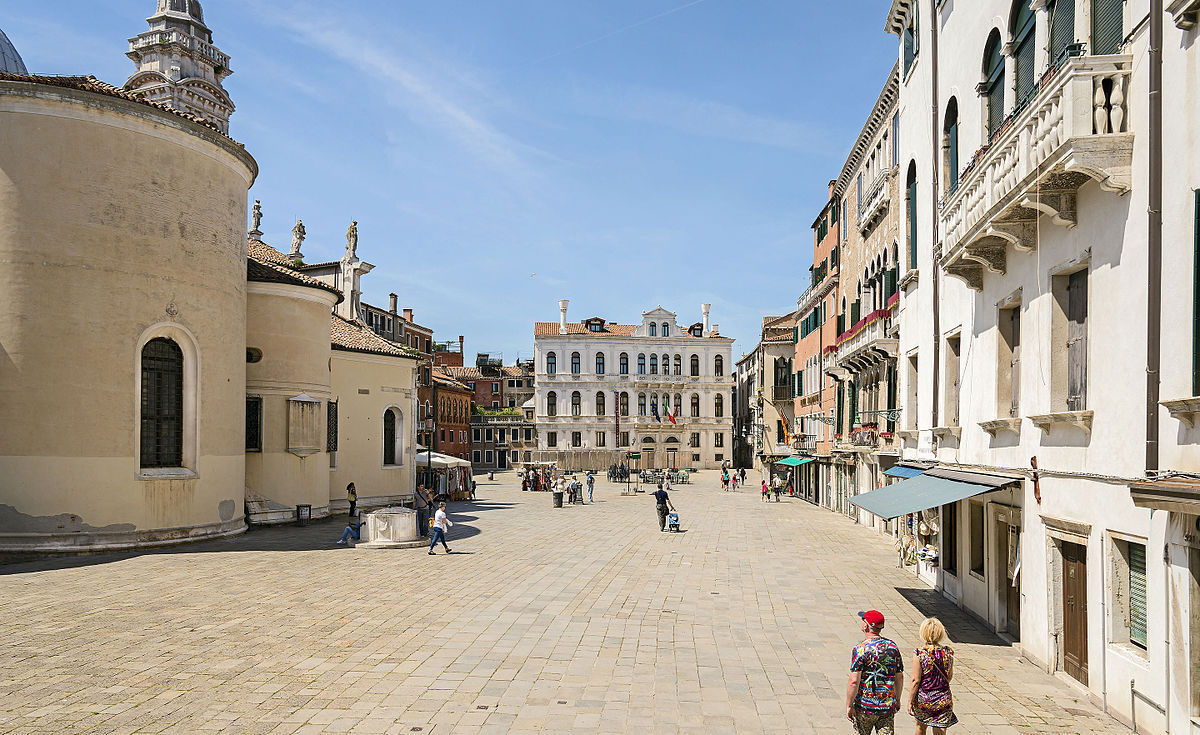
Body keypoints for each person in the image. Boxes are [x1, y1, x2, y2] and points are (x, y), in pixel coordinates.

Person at [846, 610, 904, 735]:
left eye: (863, 619)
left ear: (866, 625)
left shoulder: (860, 650)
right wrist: (897, 699)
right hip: (886, 706)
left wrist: (849, 705)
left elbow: (854, 681)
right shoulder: (893, 647)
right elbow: (899, 677)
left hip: (864, 707)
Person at [907, 618, 958, 733]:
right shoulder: (948, 652)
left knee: (920, 726)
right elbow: (949, 676)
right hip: (943, 698)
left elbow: (915, 680)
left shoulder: (920, 653)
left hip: (924, 698)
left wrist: (910, 700)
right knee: (940, 728)